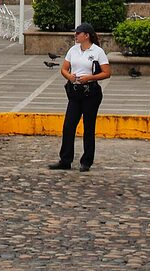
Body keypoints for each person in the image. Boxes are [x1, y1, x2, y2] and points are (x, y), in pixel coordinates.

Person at [48, 21, 111, 172]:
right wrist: (69, 76)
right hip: (75, 91)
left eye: (78, 33)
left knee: (88, 127)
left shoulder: (97, 52)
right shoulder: (73, 50)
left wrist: (89, 78)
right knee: (68, 126)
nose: (75, 36)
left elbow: (106, 72)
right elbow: (64, 68)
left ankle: (86, 161)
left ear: (86, 35)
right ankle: (65, 159)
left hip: (90, 92)